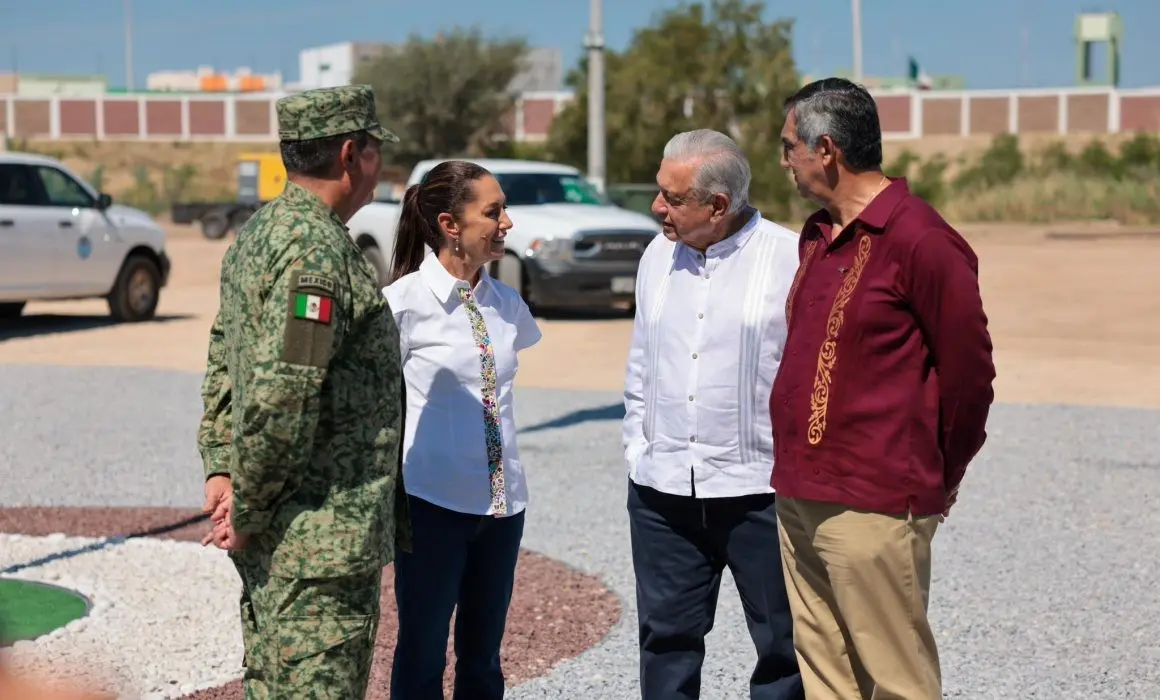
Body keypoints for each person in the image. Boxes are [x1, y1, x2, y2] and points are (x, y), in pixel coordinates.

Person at [771, 77, 996, 700]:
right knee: (826, 674)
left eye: (788, 146)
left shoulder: (921, 239)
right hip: (799, 492)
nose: (783, 161)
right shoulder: (817, 236)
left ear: (825, 149)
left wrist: (936, 474)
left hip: (874, 501)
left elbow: (971, 375)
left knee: (896, 680)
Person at [195, 84, 407, 700]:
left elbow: (223, 359)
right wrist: (250, 507)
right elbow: (282, 397)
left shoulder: (262, 232)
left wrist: (222, 471)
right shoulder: (316, 253)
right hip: (316, 543)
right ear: (350, 154)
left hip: (286, 535)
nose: (377, 167)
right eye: (374, 151)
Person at [622, 129, 804, 700]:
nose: (657, 208)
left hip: (761, 494)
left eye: (672, 199)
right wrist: (638, 448)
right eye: (660, 192)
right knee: (666, 642)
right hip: (662, 494)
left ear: (718, 206)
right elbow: (641, 363)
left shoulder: (793, 257)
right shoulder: (655, 255)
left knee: (785, 648)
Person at [382, 159, 542, 700]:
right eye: (493, 212)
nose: (506, 223)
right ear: (450, 225)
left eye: (504, 210)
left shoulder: (508, 305)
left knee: (483, 658)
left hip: (502, 509)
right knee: (423, 655)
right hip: (431, 506)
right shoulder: (401, 307)